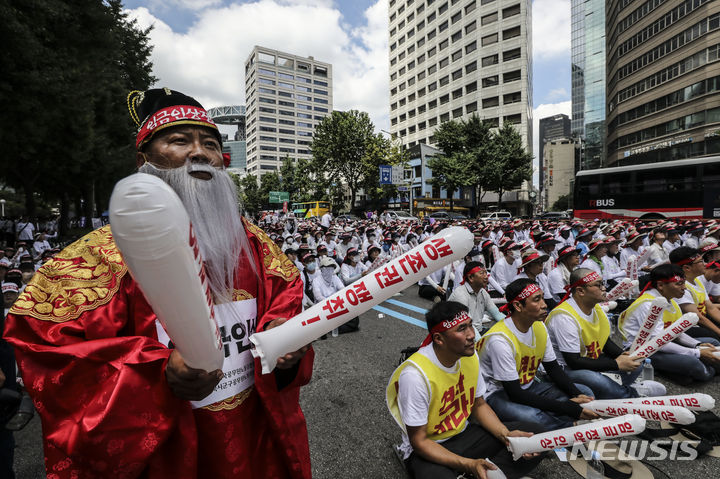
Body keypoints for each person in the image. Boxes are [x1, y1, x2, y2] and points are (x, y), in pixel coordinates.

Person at [4, 88, 314, 478]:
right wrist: (154, 373)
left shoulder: (252, 243)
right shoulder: (96, 258)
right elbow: (45, 345)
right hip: (165, 458)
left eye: (211, 144)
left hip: (252, 443)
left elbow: (287, 294)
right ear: (144, 160)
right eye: (180, 141)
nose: (200, 153)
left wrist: (282, 336)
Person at [386, 301, 544, 479]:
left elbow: (479, 405)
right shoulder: (415, 376)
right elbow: (419, 441)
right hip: (430, 447)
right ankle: (478, 470)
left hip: (465, 435)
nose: (472, 335)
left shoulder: (469, 354)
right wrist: (468, 464)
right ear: (439, 339)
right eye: (462, 329)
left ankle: (484, 472)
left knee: (536, 438)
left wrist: (506, 436)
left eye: (470, 325)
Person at [478, 279, 598, 431]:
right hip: (499, 393)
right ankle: (567, 429)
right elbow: (515, 393)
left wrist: (576, 394)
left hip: (530, 386)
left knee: (584, 393)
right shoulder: (500, 340)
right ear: (518, 306)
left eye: (542, 297)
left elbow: (553, 368)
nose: (544, 304)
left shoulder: (539, 326)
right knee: (532, 417)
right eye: (537, 300)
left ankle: (556, 424)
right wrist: (565, 407)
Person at [546, 269, 665, 399]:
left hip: (589, 360)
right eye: (598, 285)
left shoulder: (596, 308)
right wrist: (617, 364)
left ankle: (616, 391)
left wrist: (622, 355)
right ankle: (632, 396)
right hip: (566, 369)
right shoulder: (564, 317)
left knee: (635, 361)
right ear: (581, 291)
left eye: (603, 283)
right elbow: (573, 362)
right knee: (596, 380)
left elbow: (604, 341)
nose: (604, 288)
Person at [618, 264, 719, 384]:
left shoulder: (670, 299)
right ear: (660, 285)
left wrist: (697, 345)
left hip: (664, 342)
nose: (684, 288)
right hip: (644, 350)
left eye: (683, 283)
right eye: (679, 284)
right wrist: (697, 353)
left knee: (712, 343)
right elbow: (658, 342)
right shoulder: (649, 305)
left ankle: (678, 371)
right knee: (694, 364)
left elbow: (676, 332)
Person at [670, 246, 720, 341]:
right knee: (714, 339)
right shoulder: (680, 287)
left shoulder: (696, 280)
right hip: (687, 328)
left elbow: (711, 308)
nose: (705, 264)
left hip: (699, 322)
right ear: (687, 268)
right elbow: (699, 318)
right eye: (701, 261)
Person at [448, 262, 504, 338]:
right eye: (482, 273)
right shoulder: (460, 294)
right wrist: (480, 345)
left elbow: (497, 314)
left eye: (485, 273)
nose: (486, 277)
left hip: (477, 331)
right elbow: (467, 326)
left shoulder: (482, 292)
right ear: (470, 278)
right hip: (460, 335)